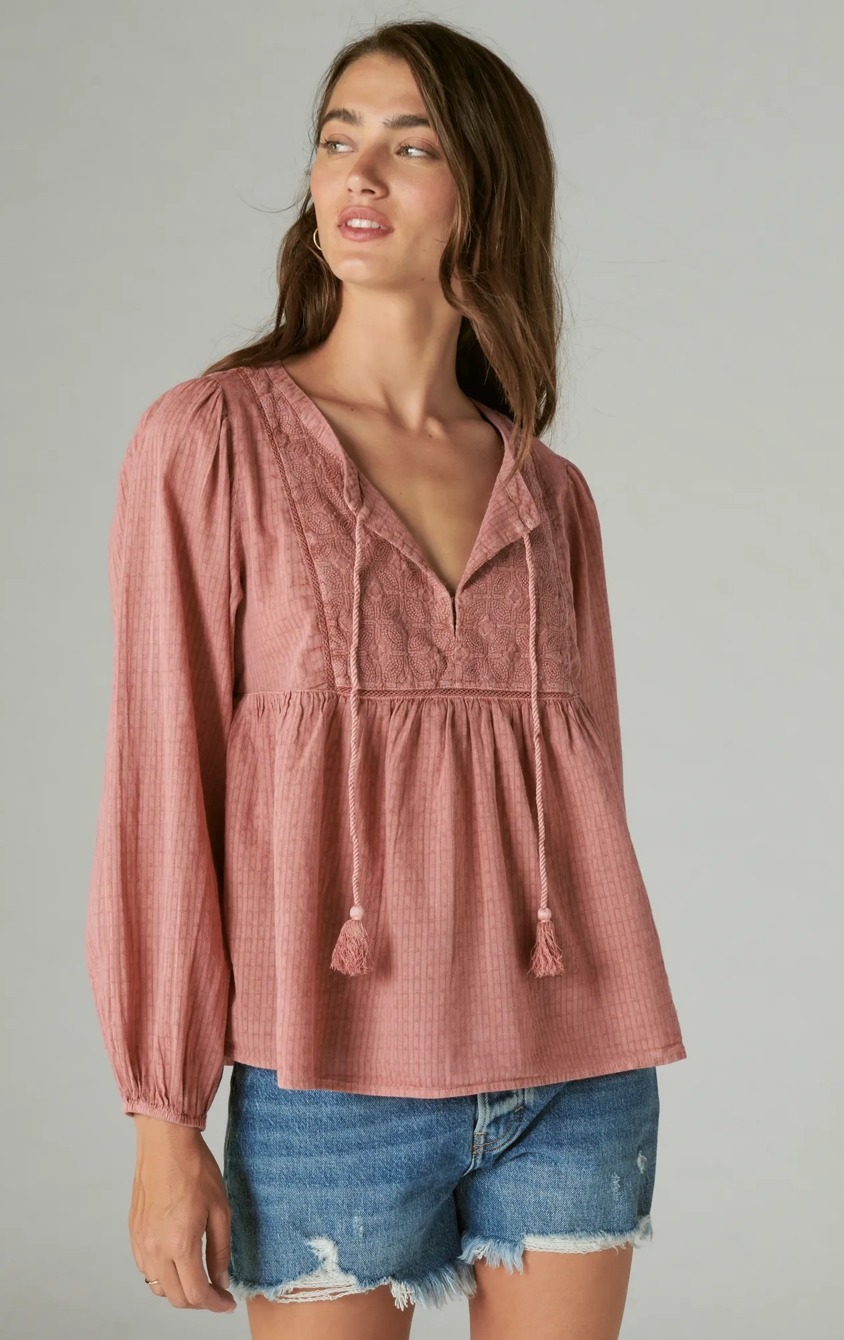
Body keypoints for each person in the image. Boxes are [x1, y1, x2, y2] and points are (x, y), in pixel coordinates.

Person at [85, 18, 687, 1340]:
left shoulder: (551, 493)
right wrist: (164, 1118)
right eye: (336, 140)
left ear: (485, 191)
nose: (357, 176)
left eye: (410, 147)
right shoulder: (213, 440)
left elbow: (585, 800)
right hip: (326, 1078)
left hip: (577, 1076)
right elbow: (161, 782)